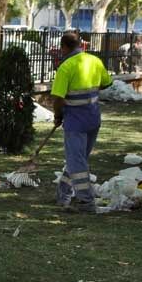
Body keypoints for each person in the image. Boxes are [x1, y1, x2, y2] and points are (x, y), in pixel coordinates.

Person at [51, 31, 113, 213]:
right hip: (93, 118)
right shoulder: (94, 61)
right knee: (78, 160)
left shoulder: (65, 67)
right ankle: (62, 194)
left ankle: (86, 202)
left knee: (77, 162)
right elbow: (106, 83)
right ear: (80, 45)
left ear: (64, 47)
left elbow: (58, 98)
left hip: (75, 121)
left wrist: (58, 115)